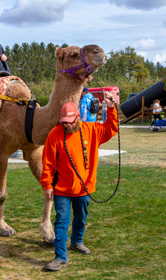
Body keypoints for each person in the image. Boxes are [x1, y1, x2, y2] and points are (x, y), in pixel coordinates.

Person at [41, 92, 118, 271]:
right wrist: (47, 184)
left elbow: (111, 128)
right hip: (61, 189)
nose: (67, 125)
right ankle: (60, 257)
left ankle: (77, 241)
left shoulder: (91, 130)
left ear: (77, 117)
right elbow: (48, 162)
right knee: (61, 221)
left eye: (70, 121)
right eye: (64, 122)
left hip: (84, 189)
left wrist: (112, 108)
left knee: (81, 217)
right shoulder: (55, 134)